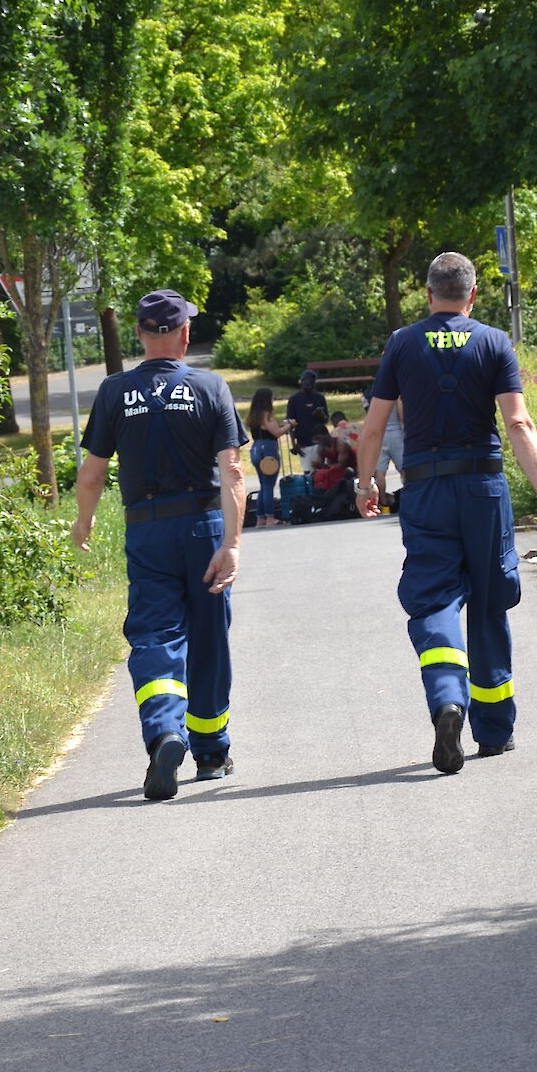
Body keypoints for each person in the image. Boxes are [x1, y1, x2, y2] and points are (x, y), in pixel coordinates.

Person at [356, 251, 537, 776]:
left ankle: (448, 698)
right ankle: (494, 731)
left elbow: (375, 427)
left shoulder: (402, 343)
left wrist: (365, 484)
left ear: (428, 294)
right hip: (483, 488)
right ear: (472, 296)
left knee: (434, 598)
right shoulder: (493, 341)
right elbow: (518, 424)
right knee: (491, 600)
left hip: (425, 489)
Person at [72, 290, 247, 801]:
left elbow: (92, 474)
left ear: (140, 335)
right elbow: (232, 472)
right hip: (203, 526)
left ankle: (165, 734)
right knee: (209, 636)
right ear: (185, 334)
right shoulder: (210, 387)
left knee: (155, 636)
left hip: (147, 529)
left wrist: (83, 521)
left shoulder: (113, 392)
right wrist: (232, 544)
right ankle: (211, 751)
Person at [247, 388, 291, 528]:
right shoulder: (266, 416)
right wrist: (290, 425)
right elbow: (276, 432)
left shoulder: (253, 416)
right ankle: (270, 518)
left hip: (255, 448)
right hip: (268, 449)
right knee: (269, 485)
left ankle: (260, 519)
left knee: (263, 485)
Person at [286, 370, 328, 469]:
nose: (309, 383)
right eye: (306, 381)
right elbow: (290, 423)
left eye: (311, 381)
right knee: (308, 472)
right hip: (303, 442)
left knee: (321, 471)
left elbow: (326, 420)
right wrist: (294, 444)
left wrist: (321, 415)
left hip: (319, 441)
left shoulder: (320, 398)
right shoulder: (294, 400)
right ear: (301, 381)